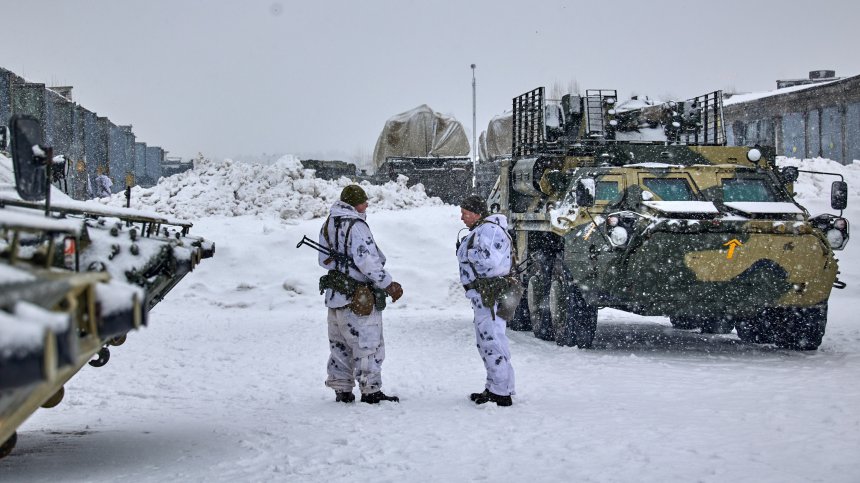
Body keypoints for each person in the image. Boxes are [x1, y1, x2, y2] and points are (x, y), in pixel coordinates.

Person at [318, 185, 404, 404]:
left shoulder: (329, 224)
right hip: (359, 298)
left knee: (340, 346)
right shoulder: (356, 226)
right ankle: (370, 390)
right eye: (364, 201)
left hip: (335, 295)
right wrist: (388, 284)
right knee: (367, 344)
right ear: (354, 203)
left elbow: (323, 260)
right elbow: (368, 262)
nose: (367, 205)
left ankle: (342, 389)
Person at [456, 194, 515, 406]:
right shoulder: (483, 229)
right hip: (484, 296)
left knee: (492, 341)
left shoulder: (489, 230)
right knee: (488, 341)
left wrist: (467, 254)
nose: (462, 218)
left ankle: (501, 392)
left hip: (490, 296)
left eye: (465, 213)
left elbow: (489, 261)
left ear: (476, 213)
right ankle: (495, 387)